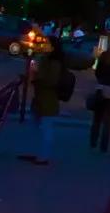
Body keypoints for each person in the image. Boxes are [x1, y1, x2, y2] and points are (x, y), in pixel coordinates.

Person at [17, 28, 73, 163]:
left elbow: (51, 80)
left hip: (48, 99)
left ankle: (43, 156)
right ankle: (38, 153)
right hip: (41, 98)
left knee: (45, 128)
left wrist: (36, 77)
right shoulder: (46, 59)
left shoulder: (54, 62)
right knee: (37, 125)